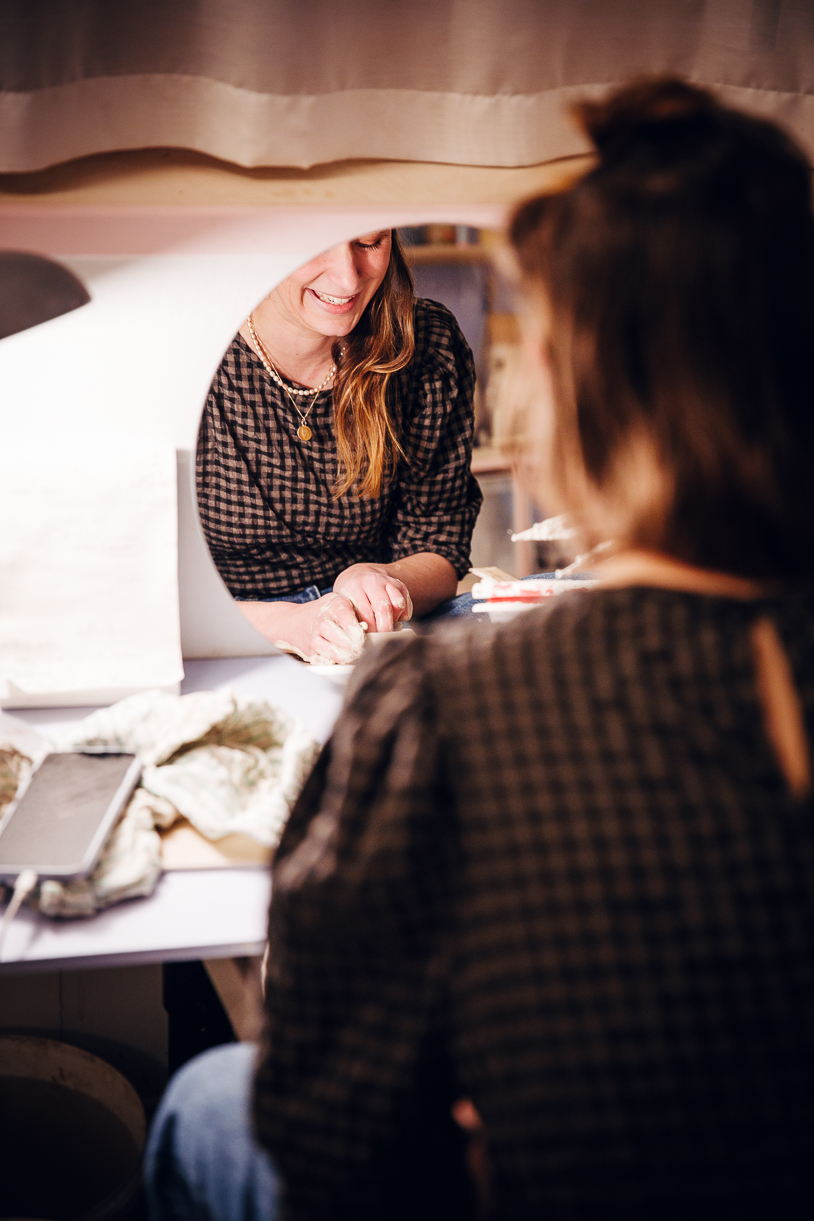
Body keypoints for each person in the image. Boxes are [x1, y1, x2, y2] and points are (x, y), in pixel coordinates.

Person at [147, 78, 814, 1220]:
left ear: (566, 395)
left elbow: (330, 1116)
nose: (348, 273)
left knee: (213, 1100)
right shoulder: (203, 371)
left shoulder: (453, 702)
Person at [196, 229, 482, 663]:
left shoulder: (426, 344)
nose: (349, 280)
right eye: (313, 244)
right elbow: (143, 598)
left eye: (370, 243)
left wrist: (385, 580)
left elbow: (439, 545)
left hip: (370, 631)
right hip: (228, 634)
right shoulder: (193, 353)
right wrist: (292, 625)